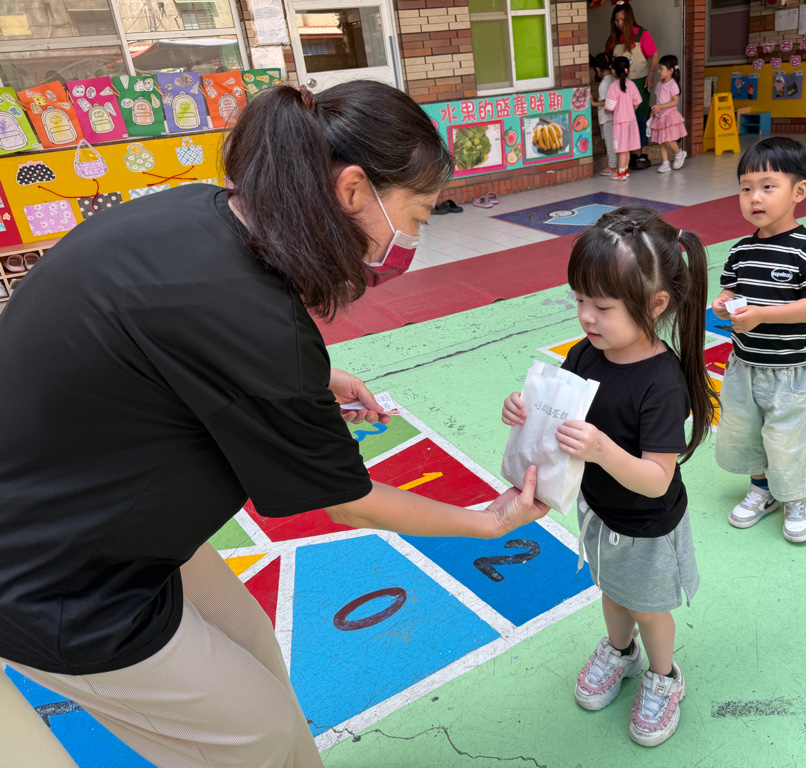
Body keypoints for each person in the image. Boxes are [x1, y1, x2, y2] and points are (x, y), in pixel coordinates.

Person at [0, 81, 547, 768]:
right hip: (58, 580)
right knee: (260, 739)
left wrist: (307, 381)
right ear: (353, 191)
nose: (413, 240)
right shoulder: (260, 324)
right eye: (419, 215)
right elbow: (348, 501)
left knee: (256, 651)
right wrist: (486, 522)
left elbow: (174, 342)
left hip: (87, 507)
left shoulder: (200, 213)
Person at [502, 207, 716, 748]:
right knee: (613, 593)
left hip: (647, 525)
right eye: (579, 300)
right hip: (599, 512)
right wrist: (523, 410)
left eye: (602, 307)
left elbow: (657, 479)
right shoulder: (585, 354)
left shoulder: (662, 383)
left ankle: (664, 676)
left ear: (656, 304)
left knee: (649, 607)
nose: (586, 317)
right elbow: (556, 410)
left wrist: (601, 449)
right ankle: (620, 652)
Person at [712, 138, 806, 543]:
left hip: (793, 370)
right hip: (744, 366)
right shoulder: (741, 250)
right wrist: (723, 302)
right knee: (746, 432)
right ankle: (762, 489)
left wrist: (763, 314)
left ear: (798, 191)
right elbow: (732, 290)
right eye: (746, 188)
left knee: (787, 440)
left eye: (768, 186)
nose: (755, 197)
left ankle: (797, 498)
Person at [604, 1, 658, 166]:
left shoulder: (642, 35)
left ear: (629, 19)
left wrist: (651, 74)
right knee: (627, 120)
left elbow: (654, 54)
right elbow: (608, 57)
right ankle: (632, 153)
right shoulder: (614, 38)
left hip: (640, 81)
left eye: (622, 20)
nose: (619, 23)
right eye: (616, 20)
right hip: (620, 84)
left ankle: (644, 153)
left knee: (640, 118)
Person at [648, 55, 687, 173]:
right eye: (659, 69)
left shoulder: (672, 85)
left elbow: (675, 101)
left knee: (668, 139)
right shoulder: (659, 84)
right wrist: (654, 111)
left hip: (669, 116)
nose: (659, 71)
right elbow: (658, 99)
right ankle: (665, 162)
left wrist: (661, 106)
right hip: (659, 116)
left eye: (661, 69)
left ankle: (679, 153)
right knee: (661, 140)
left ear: (670, 71)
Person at [605, 56, 642, 182]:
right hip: (631, 121)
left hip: (620, 123)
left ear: (613, 71)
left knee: (621, 149)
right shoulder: (631, 84)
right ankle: (625, 171)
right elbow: (638, 102)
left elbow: (610, 107)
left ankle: (621, 173)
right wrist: (630, 110)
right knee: (627, 148)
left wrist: (606, 110)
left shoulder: (613, 86)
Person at [591, 52, 617, 177]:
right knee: (615, 142)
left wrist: (594, 103)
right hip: (615, 117)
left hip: (607, 118)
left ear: (597, 69)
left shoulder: (603, 84)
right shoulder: (614, 79)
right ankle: (617, 165)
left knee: (610, 143)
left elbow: (606, 101)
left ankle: (612, 166)